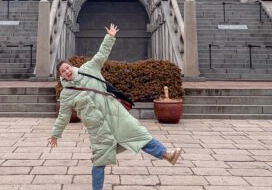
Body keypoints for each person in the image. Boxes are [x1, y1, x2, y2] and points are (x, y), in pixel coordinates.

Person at [48, 23, 182, 190]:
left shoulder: (88, 69)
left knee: (139, 134)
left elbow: (101, 55)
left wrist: (110, 37)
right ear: (60, 75)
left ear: (71, 66)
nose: (67, 71)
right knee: (99, 160)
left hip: (116, 114)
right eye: (63, 71)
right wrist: (55, 134)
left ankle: (167, 154)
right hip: (98, 128)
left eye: (67, 68)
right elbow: (63, 116)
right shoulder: (66, 94)